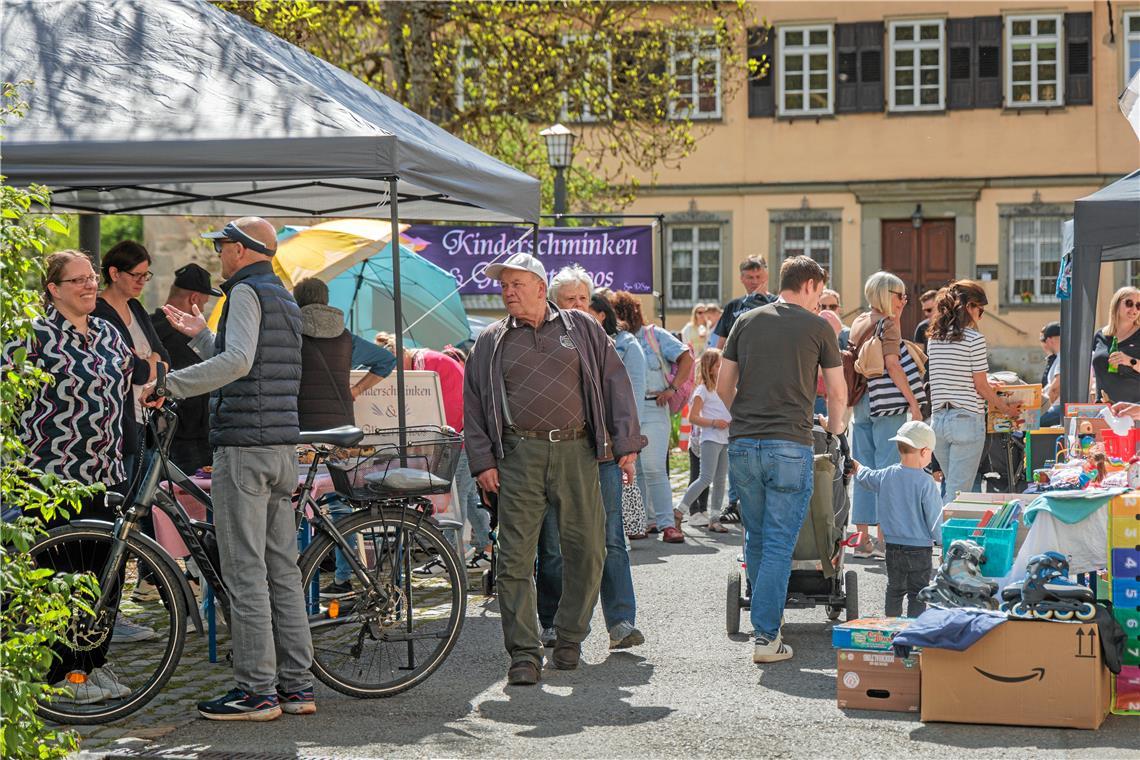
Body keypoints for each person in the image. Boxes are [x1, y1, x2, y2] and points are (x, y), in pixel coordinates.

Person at [146, 216, 313, 721]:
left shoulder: (244, 291)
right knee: (282, 570)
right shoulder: (282, 295)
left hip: (244, 446)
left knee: (245, 572)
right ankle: (297, 687)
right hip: (280, 445)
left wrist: (168, 385)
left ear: (241, 249)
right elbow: (253, 360)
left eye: (222, 246)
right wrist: (203, 338)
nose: (219, 254)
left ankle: (257, 692)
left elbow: (238, 362)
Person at [463, 252, 643, 686]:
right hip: (518, 455)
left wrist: (626, 443)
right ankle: (524, 654)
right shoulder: (490, 339)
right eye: (503, 286)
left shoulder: (581, 327)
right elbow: (473, 405)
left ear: (541, 289)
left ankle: (570, 636)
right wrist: (483, 461)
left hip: (577, 450)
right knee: (514, 558)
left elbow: (615, 381)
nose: (508, 292)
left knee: (589, 550)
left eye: (516, 284)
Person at [7, 250, 138, 703]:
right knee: (61, 578)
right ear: (53, 289)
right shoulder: (32, 335)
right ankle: (62, 675)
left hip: (107, 474)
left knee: (106, 576)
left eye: (92, 277)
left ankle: (92, 665)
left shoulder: (107, 332)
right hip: (50, 479)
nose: (89, 285)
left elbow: (130, 382)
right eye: (78, 280)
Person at [717, 255, 846, 664]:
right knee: (777, 543)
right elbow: (837, 392)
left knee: (755, 538)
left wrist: (744, 416)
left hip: (743, 444)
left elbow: (722, 387)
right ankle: (766, 636)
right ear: (808, 285)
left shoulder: (745, 320)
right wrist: (836, 430)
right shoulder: (818, 327)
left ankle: (766, 621)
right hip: (790, 443)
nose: (819, 301)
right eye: (819, 292)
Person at [535, 271, 646, 652]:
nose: (579, 306)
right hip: (557, 456)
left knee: (611, 538)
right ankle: (551, 621)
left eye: (584, 298)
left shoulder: (605, 343)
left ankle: (621, 622)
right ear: (554, 303)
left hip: (602, 454)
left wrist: (627, 448)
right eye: (570, 299)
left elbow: (622, 396)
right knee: (553, 543)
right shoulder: (541, 343)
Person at [374, 331, 487, 563]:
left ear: (400, 356)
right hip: (465, 434)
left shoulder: (427, 365)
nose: (395, 375)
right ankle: (487, 547)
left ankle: (450, 557)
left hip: (462, 437)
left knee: (453, 497)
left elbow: (452, 408)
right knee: (468, 496)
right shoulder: (421, 362)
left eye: (395, 368)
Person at [848, 272, 922, 560]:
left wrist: (897, 317)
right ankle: (883, 540)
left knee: (862, 468)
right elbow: (893, 364)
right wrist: (913, 402)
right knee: (888, 469)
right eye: (900, 295)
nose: (904, 300)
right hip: (887, 403)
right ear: (887, 295)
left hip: (861, 401)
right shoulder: (888, 325)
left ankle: (861, 541)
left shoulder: (859, 321)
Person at [927, 280, 1021, 506]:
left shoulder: (934, 338)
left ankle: (942, 528)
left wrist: (987, 382)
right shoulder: (974, 339)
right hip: (966, 421)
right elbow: (980, 386)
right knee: (958, 495)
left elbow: (952, 375)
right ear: (969, 306)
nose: (981, 315)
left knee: (952, 489)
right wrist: (1006, 409)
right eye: (981, 309)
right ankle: (945, 529)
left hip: (938, 421)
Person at [611, 290, 693, 544]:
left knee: (654, 467)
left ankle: (667, 524)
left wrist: (673, 389)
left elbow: (687, 357)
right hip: (627, 410)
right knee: (635, 469)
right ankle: (641, 522)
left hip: (653, 406)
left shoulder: (653, 335)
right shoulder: (614, 339)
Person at [92, 240, 170, 484]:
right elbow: (135, 371)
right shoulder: (99, 312)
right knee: (126, 496)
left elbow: (165, 357)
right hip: (121, 425)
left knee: (147, 494)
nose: (142, 281)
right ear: (114, 273)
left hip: (146, 421)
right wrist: (151, 362)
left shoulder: (135, 307)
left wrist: (150, 361)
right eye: (136, 275)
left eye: (146, 275)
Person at [850, 421, 942, 618]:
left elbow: (867, 477)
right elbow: (934, 518)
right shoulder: (926, 482)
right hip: (920, 549)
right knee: (917, 593)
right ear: (924, 452)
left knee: (894, 590)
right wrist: (944, 542)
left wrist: (858, 467)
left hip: (892, 546)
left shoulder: (887, 475)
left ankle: (891, 627)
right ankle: (913, 630)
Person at [292, 277, 395, 431]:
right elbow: (386, 360)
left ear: (296, 301)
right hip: (340, 425)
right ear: (326, 300)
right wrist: (357, 390)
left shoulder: (290, 335)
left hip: (300, 421)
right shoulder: (347, 339)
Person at [150, 264, 222, 473]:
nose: (204, 310)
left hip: (160, 433)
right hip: (190, 438)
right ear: (194, 299)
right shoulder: (188, 337)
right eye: (204, 303)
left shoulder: (148, 327)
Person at [675, 348, 732, 533]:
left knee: (720, 480)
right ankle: (679, 511)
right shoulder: (703, 390)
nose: (721, 368)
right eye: (718, 365)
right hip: (710, 438)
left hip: (725, 439)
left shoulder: (723, 390)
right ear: (709, 367)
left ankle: (714, 519)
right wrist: (715, 422)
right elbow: (693, 417)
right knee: (706, 477)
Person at [709, 256, 775, 349]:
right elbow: (721, 346)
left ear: (766, 277)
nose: (755, 281)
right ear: (741, 278)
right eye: (750, 277)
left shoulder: (777, 303)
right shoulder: (732, 306)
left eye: (758, 277)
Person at [1092, 286, 1140, 404]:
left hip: (1133, 408)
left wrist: (1129, 361)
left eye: (1138, 305)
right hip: (1104, 407)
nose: (1134, 309)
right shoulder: (1100, 335)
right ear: (1116, 304)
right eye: (1129, 303)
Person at [1039, 321, 1063, 427]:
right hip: (1060, 407)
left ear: (1049, 340)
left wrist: (1043, 409)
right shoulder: (1061, 357)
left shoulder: (1063, 357)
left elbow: (1055, 389)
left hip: (1058, 408)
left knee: (1027, 422)